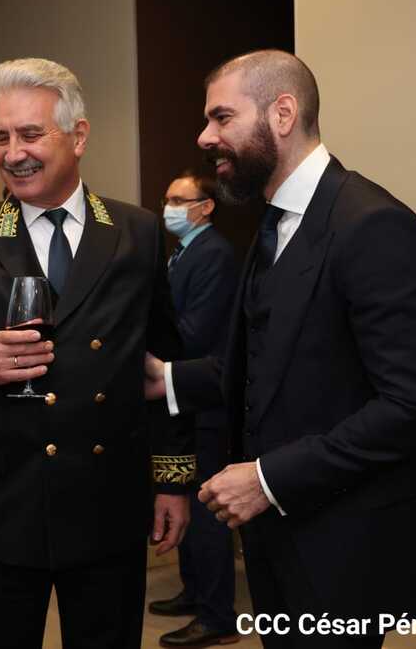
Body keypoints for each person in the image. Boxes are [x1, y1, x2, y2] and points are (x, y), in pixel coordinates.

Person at [145, 50, 416, 648]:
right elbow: (274, 362)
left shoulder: (372, 225)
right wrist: (168, 379)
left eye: (221, 117)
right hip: (282, 544)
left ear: (283, 114)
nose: (205, 136)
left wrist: (267, 479)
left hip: (347, 550)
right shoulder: (273, 224)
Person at [0, 57, 192, 649]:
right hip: (4, 508)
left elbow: (165, 365)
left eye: (30, 134)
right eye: (1, 137)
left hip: (106, 504)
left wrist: (172, 480)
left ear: (78, 136)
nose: (13, 154)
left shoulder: (135, 232)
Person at [149, 169, 239, 647]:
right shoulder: (183, 251)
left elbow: (196, 331)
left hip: (202, 398)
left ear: (206, 207)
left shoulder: (215, 254)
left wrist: (146, 347)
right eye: (167, 198)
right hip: (179, 397)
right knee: (182, 494)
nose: (169, 208)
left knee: (206, 508)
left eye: (179, 200)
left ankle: (216, 616)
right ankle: (195, 591)